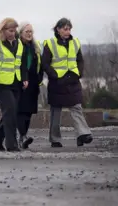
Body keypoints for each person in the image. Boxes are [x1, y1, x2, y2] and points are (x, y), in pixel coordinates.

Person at [42, 18, 93, 148]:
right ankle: (55, 139)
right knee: (56, 111)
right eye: (65, 28)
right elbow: (45, 64)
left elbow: (80, 60)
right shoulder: (50, 43)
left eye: (69, 29)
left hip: (72, 80)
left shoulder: (75, 42)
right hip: (57, 82)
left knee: (76, 107)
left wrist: (78, 73)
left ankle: (83, 134)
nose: (68, 31)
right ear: (58, 29)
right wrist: (54, 76)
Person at [0, 18, 28, 152]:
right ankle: (11, 144)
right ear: (3, 30)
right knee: (10, 112)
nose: (13, 33)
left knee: (11, 112)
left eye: (14, 31)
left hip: (16, 82)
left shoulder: (19, 43)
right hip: (0, 83)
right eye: (10, 31)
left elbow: (22, 63)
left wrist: (25, 78)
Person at [16, 22, 44, 149]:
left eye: (31, 31)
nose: (29, 34)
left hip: (33, 83)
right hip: (20, 82)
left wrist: (39, 79)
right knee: (21, 111)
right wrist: (22, 79)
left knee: (28, 113)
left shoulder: (35, 46)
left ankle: (23, 136)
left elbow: (40, 64)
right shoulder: (17, 45)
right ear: (21, 33)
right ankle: (23, 136)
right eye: (27, 31)